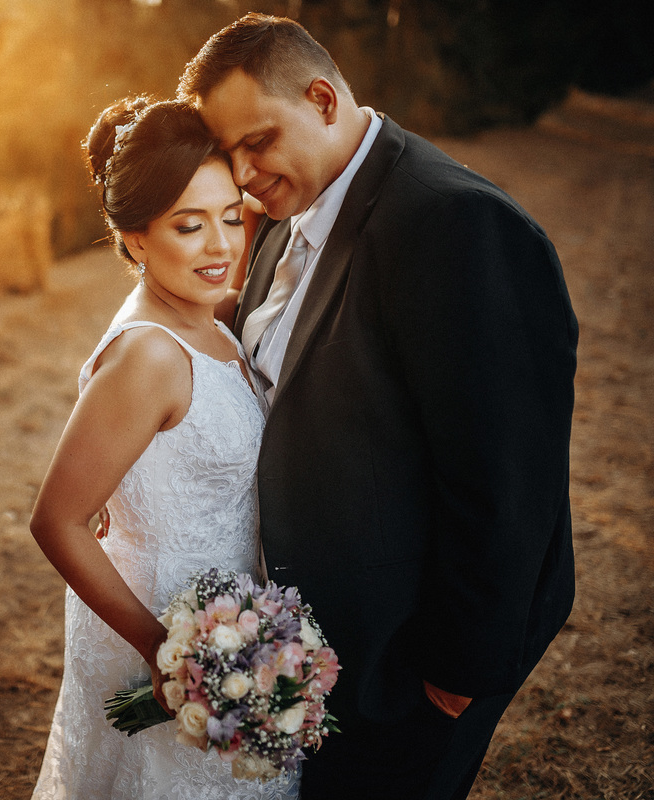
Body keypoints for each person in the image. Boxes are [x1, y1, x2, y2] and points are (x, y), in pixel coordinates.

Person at [177, 13, 579, 800]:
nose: (243, 171)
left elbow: (504, 479)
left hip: (410, 660)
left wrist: (456, 673)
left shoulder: (454, 225)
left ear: (323, 98)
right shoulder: (289, 214)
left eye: (257, 140)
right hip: (319, 643)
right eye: (228, 151)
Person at [29, 97, 298, 799]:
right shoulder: (150, 354)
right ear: (136, 238)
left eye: (229, 217)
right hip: (168, 632)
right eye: (188, 225)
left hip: (231, 622)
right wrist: (166, 654)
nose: (221, 246)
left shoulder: (210, 314)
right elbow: (57, 521)